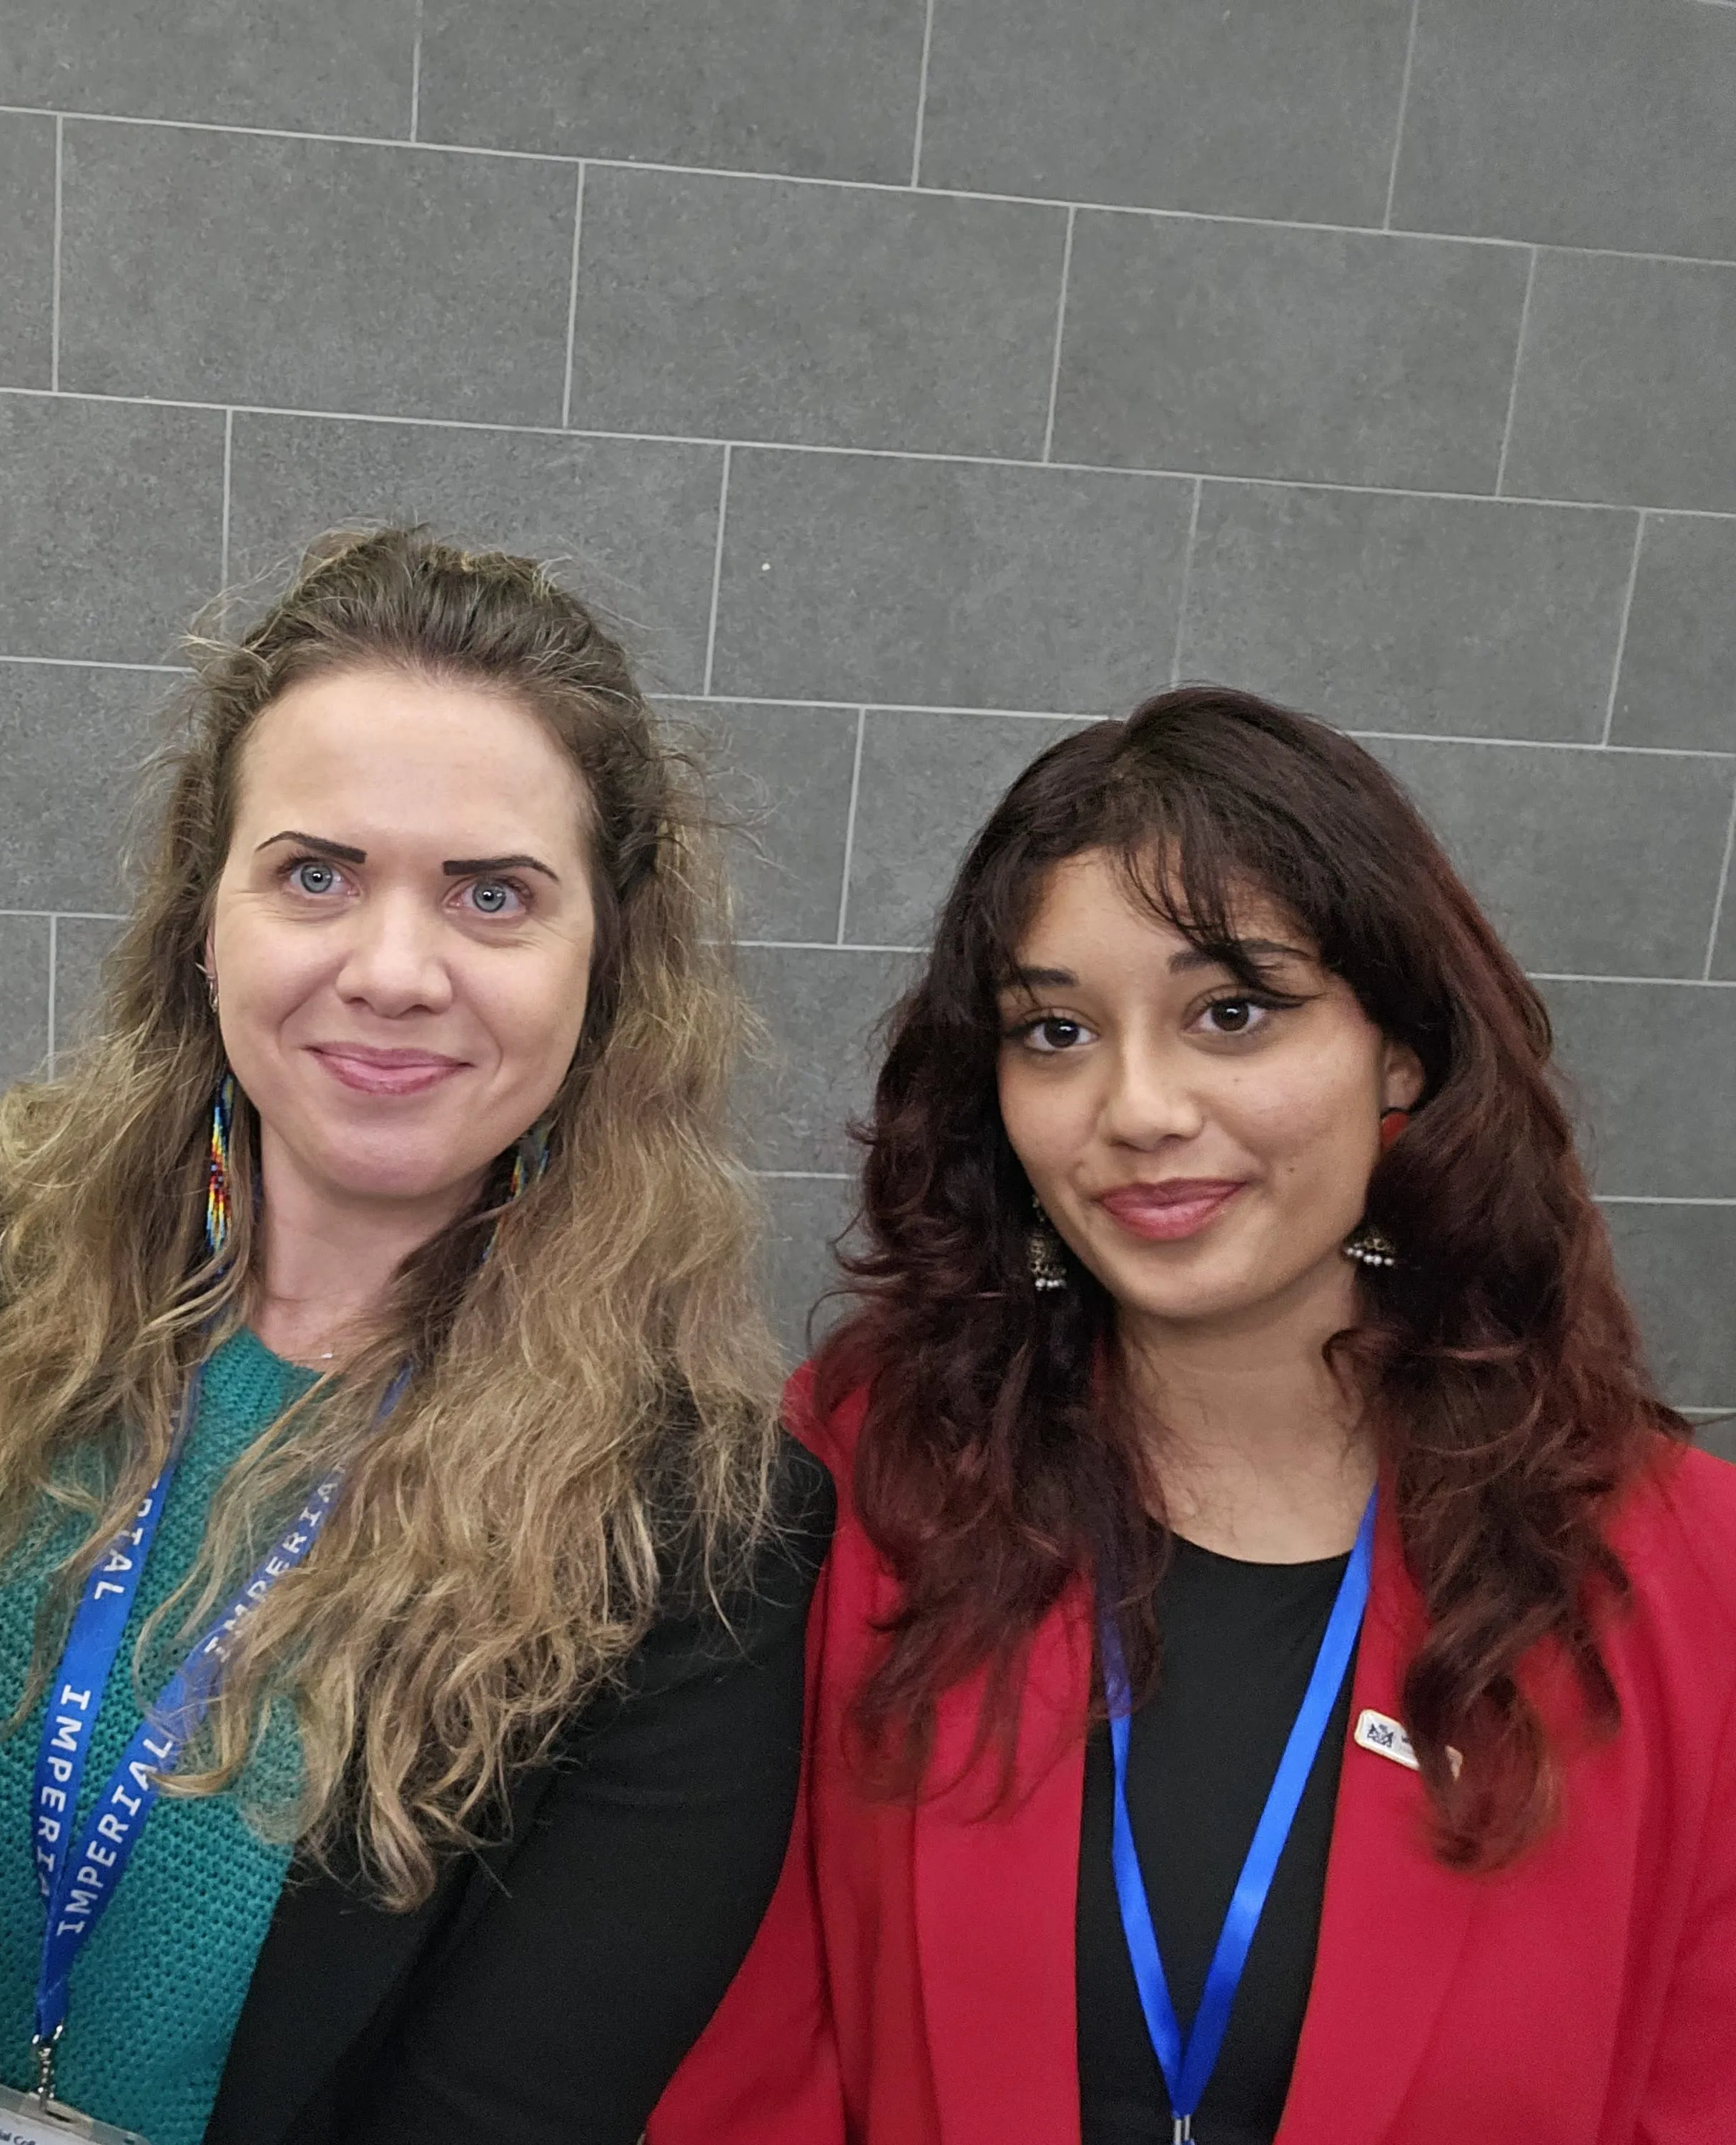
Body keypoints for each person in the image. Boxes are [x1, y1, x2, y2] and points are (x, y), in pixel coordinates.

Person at [0, 528, 830, 2145]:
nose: (393, 970)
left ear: (605, 961)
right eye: (315, 873)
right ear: (204, 907)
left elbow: (496, 2113)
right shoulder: (0, 1223)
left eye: (491, 895)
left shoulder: (703, 1530)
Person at [652, 686, 1736, 2144]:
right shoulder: (859, 1473)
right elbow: (738, 2060)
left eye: (1230, 1012)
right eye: (1054, 1033)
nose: (1138, 1105)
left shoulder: (1682, 1578)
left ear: (1399, 1053)